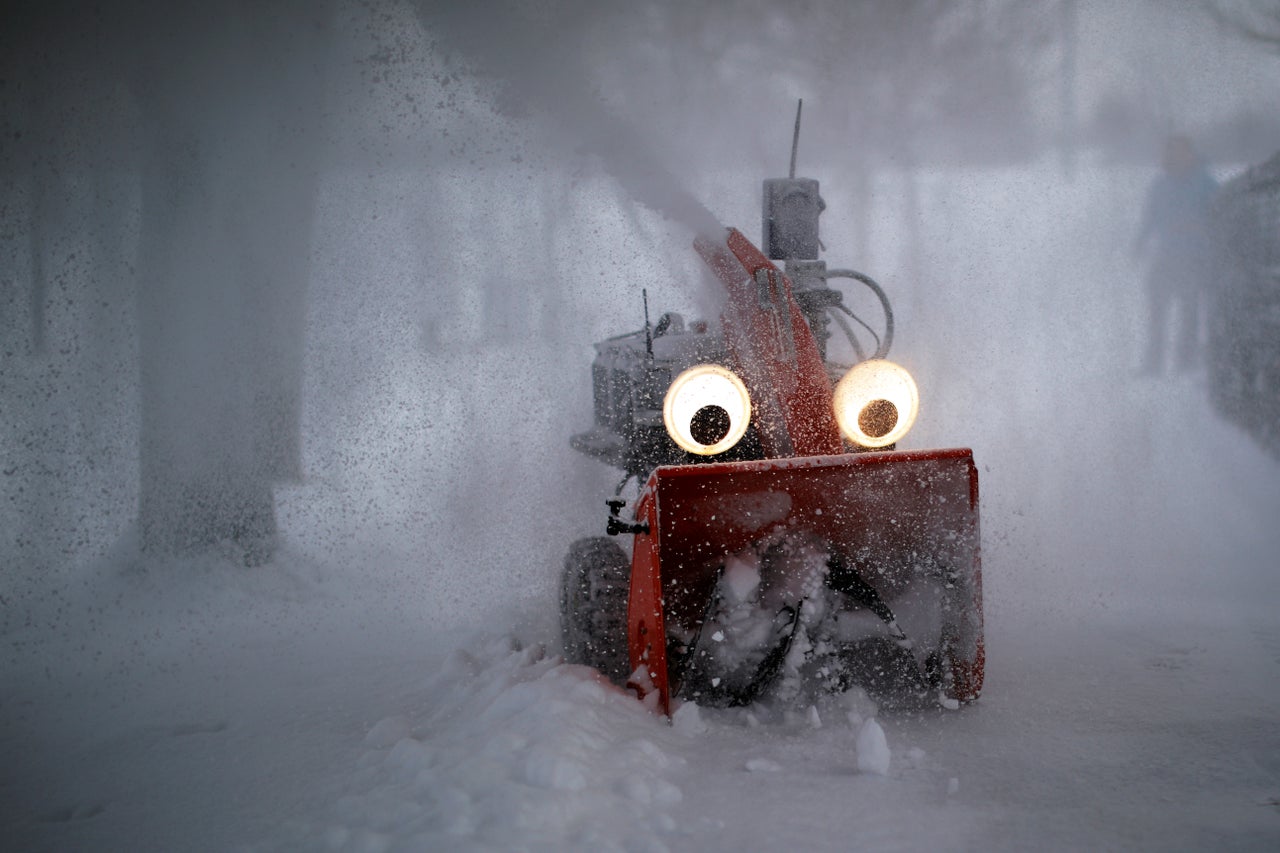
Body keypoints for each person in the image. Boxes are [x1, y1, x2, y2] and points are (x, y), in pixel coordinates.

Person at [1132, 135, 1219, 375]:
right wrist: (1139, 244)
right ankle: (1153, 362)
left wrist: (1197, 227)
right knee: (1156, 310)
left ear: (1190, 154)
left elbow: (1220, 218)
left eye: (1180, 151)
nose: (1174, 156)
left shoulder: (1206, 184)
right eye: (1170, 152)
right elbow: (1149, 218)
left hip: (1195, 258)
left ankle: (1186, 362)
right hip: (1166, 256)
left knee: (1189, 312)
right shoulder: (1159, 186)